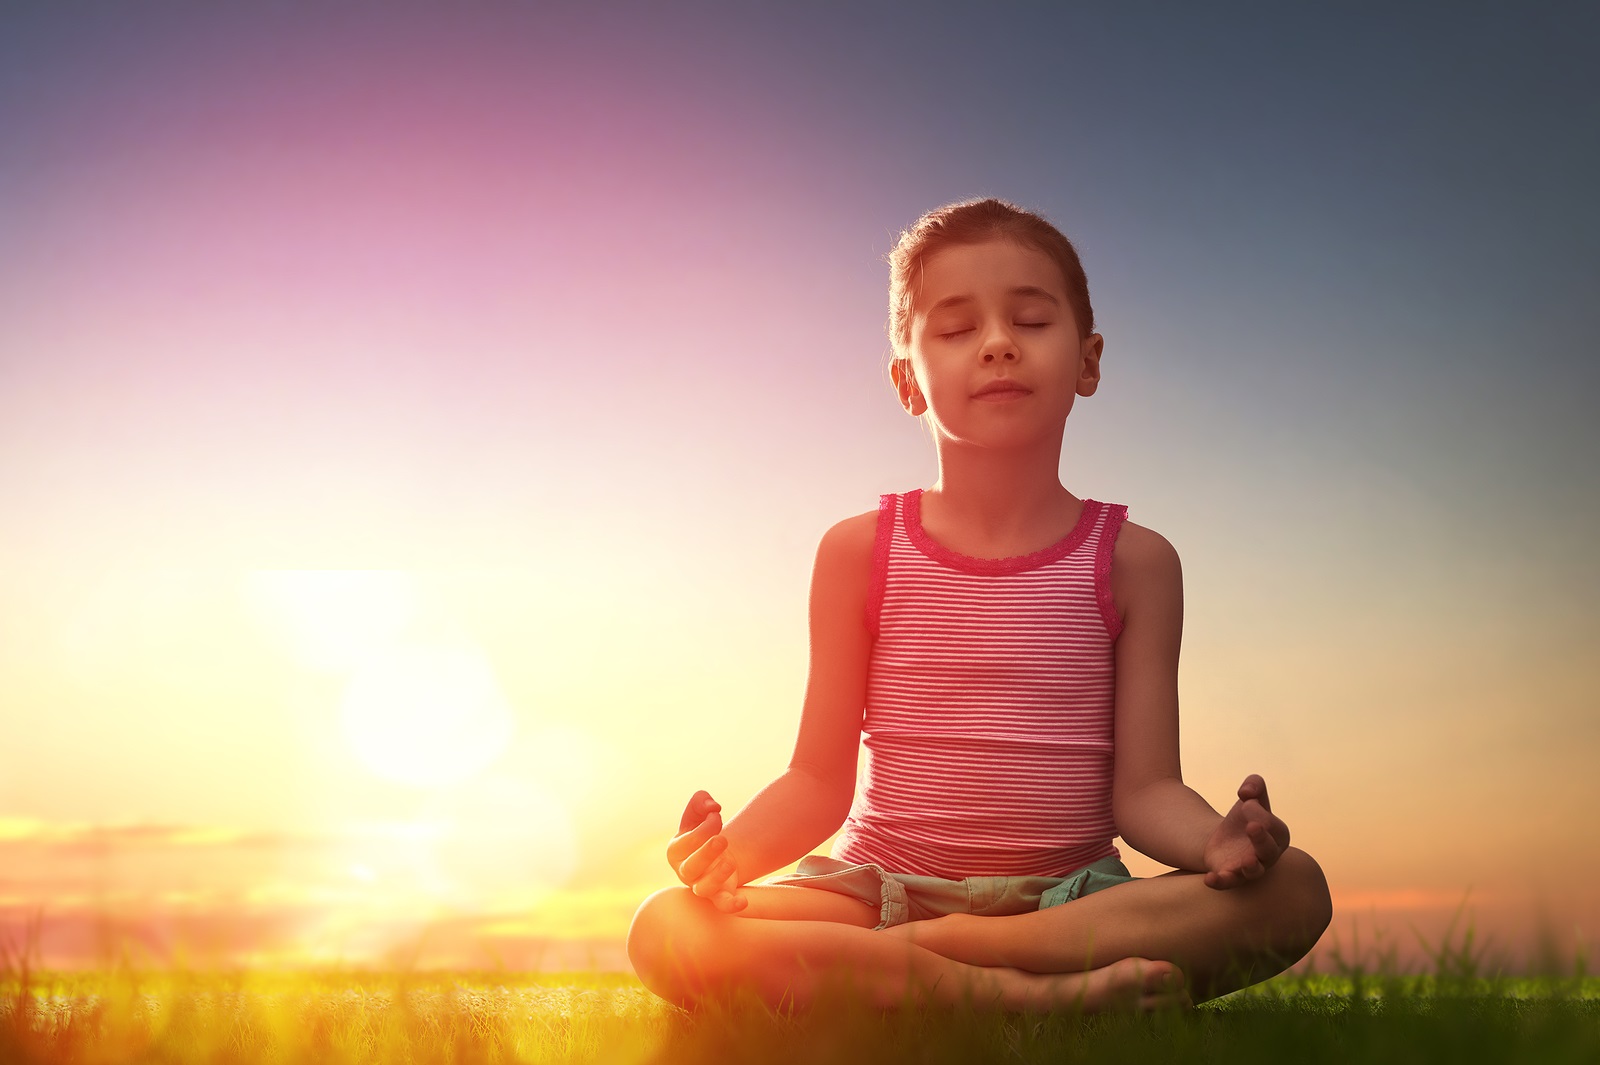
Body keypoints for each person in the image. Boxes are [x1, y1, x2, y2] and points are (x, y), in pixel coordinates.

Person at [626, 197, 1332, 1013]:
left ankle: (948, 960)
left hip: (1069, 903)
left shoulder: (1138, 562)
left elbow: (1144, 792)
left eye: (1030, 319)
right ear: (906, 380)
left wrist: (1216, 837)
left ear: (1088, 361)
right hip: (876, 894)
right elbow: (818, 778)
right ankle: (1022, 999)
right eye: (957, 330)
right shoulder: (858, 552)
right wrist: (731, 855)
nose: (998, 342)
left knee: (1297, 889)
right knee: (665, 927)